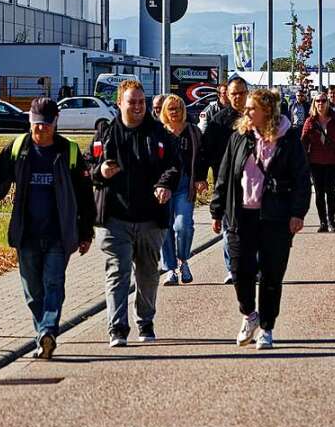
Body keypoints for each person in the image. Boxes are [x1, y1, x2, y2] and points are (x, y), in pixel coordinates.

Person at [0, 98, 95, 360]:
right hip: (27, 234)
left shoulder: (69, 151)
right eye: (35, 124)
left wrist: (86, 231)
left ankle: (47, 331)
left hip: (59, 233)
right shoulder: (19, 148)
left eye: (45, 125)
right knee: (33, 292)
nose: (40, 130)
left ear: (55, 123)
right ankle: (43, 337)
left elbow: (84, 195)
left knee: (53, 284)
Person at [210, 89, 310, 350]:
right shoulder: (239, 137)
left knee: (271, 274)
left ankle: (266, 327)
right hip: (241, 214)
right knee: (239, 270)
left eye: (252, 108)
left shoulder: (288, 140)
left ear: (267, 110)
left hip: (276, 216)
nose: (247, 112)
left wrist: (298, 213)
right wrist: (217, 210)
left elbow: (302, 179)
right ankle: (249, 314)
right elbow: (224, 175)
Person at [91, 79, 180, 347]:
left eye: (142, 102)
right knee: (117, 272)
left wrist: (165, 185)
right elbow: (88, 167)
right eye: (132, 102)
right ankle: (117, 328)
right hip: (114, 218)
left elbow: (174, 166)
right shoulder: (106, 134)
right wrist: (100, 172)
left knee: (148, 273)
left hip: (151, 219)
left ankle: (145, 320)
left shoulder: (159, 134)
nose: (138, 106)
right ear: (119, 103)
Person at [201, 76, 248, 284]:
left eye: (241, 93)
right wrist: (201, 176)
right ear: (227, 96)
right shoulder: (219, 122)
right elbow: (206, 151)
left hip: (254, 183)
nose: (238, 97)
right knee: (230, 229)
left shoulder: (258, 116)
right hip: (227, 183)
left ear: (247, 93)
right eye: (233, 94)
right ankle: (232, 268)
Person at [158, 95, 206, 287]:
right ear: (165, 112)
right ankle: (170, 269)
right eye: (171, 108)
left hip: (185, 183)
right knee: (165, 227)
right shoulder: (159, 133)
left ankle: (183, 260)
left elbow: (201, 157)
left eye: (178, 107)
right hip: (163, 185)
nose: (175, 112)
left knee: (183, 225)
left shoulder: (192, 131)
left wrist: (201, 178)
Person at [302, 92, 335, 232]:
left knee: (330, 191)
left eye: (323, 101)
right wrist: (300, 162)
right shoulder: (310, 121)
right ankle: (322, 222)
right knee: (318, 193)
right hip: (315, 161)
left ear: (327, 103)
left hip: (331, 161)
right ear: (314, 103)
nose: (320, 103)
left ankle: (332, 221)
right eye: (317, 101)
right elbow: (303, 142)